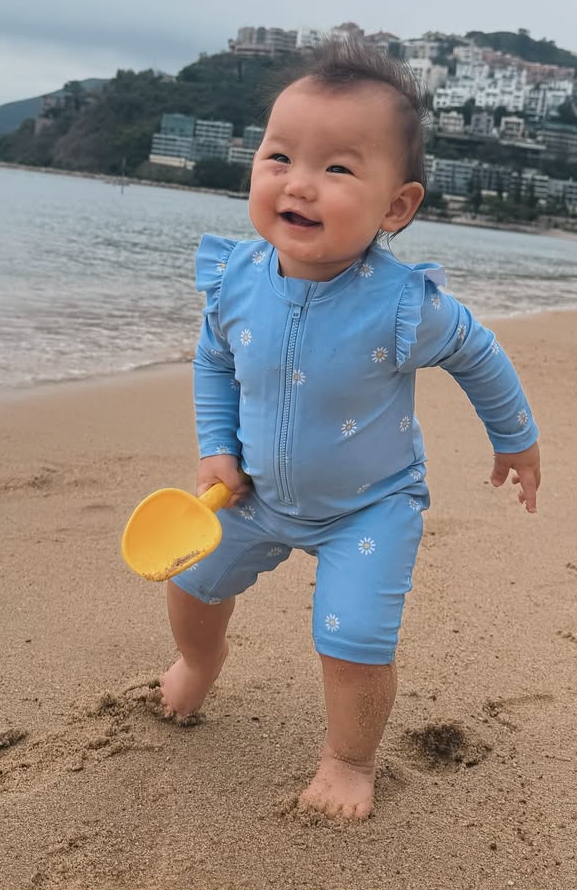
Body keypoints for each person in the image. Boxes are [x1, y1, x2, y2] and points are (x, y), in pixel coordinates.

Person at [156, 41, 542, 820]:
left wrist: (517, 439)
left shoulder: (404, 303)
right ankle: (199, 663)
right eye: (280, 157)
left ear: (395, 207)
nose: (299, 183)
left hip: (370, 505)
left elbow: (479, 354)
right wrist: (217, 450)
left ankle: (350, 760)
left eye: (337, 169)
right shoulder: (235, 279)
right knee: (190, 581)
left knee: (354, 640)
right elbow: (212, 362)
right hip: (250, 494)